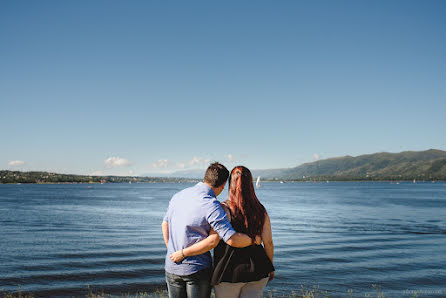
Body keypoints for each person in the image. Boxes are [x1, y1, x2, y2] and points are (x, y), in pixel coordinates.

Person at [170, 166, 275, 298]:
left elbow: (216, 239)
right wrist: (270, 266)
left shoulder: (222, 208)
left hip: (229, 271)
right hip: (258, 269)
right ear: (250, 184)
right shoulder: (261, 210)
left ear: (230, 184)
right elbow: (269, 243)